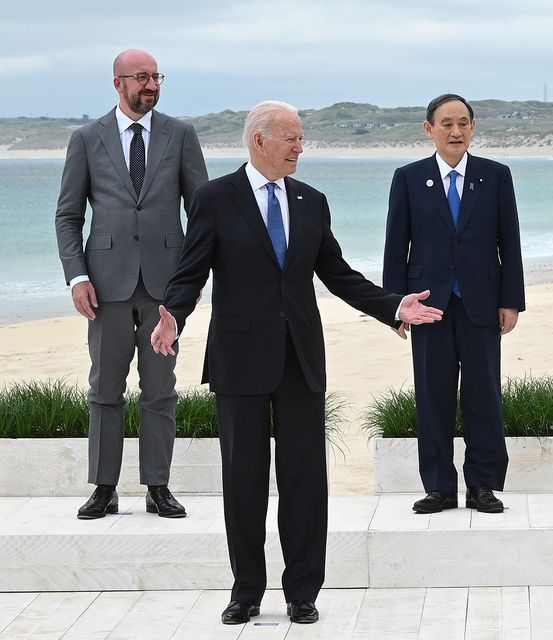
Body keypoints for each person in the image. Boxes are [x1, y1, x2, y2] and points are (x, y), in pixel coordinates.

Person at [150, 101, 442, 625]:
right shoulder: (215, 198)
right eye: (290, 138)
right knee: (244, 478)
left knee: (305, 479)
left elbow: (338, 273)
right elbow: (190, 270)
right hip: (239, 358)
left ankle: (302, 590)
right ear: (259, 140)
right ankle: (245, 591)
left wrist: (393, 306)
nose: (299, 148)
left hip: (301, 357)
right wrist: (173, 312)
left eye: (301, 138)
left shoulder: (312, 201)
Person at [54, 49, 208, 520]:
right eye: (141, 77)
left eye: (156, 76)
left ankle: (158, 486)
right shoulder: (86, 138)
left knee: (161, 389)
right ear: (117, 82)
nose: (151, 85)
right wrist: (77, 276)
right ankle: (104, 487)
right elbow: (68, 215)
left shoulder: (181, 135)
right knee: (104, 389)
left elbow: (200, 213)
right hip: (105, 287)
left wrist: (190, 282)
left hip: (165, 288)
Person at [382, 94, 525, 514]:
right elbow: (396, 244)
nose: (455, 131)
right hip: (427, 304)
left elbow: (510, 242)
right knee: (432, 396)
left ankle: (482, 484)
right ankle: (439, 486)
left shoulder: (496, 176)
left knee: (484, 396)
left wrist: (511, 300)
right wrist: (394, 306)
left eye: (463, 123)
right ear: (429, 130)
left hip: (481, 302)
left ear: (473, 127)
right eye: (446, 124)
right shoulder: (408, 178)